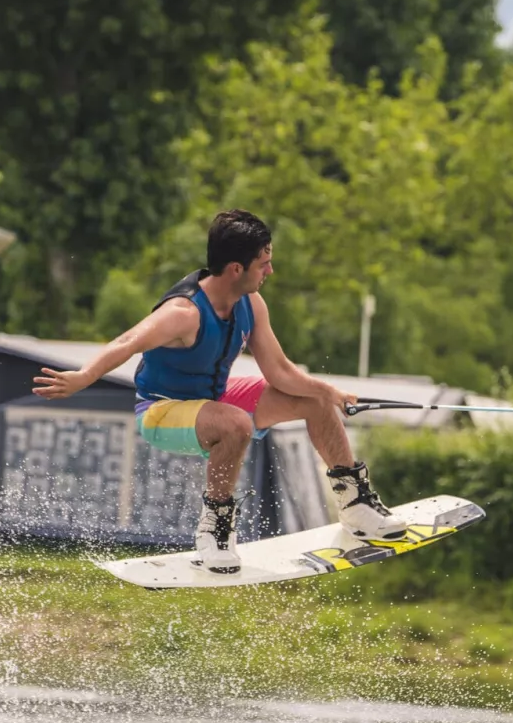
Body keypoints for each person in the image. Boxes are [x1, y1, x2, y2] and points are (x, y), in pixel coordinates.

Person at [32, 209, 406, 573]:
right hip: (162, 412)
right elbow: (127, 341)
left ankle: (355, 505)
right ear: (236, 269)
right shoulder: (184, 313)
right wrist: (84, 375)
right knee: (236, 424)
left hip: (214, 401)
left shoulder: (252, 304)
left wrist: (329, 391)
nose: (270, 271)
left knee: (314, 400)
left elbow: (279, 371)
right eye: (264, 264)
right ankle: (214, 528)